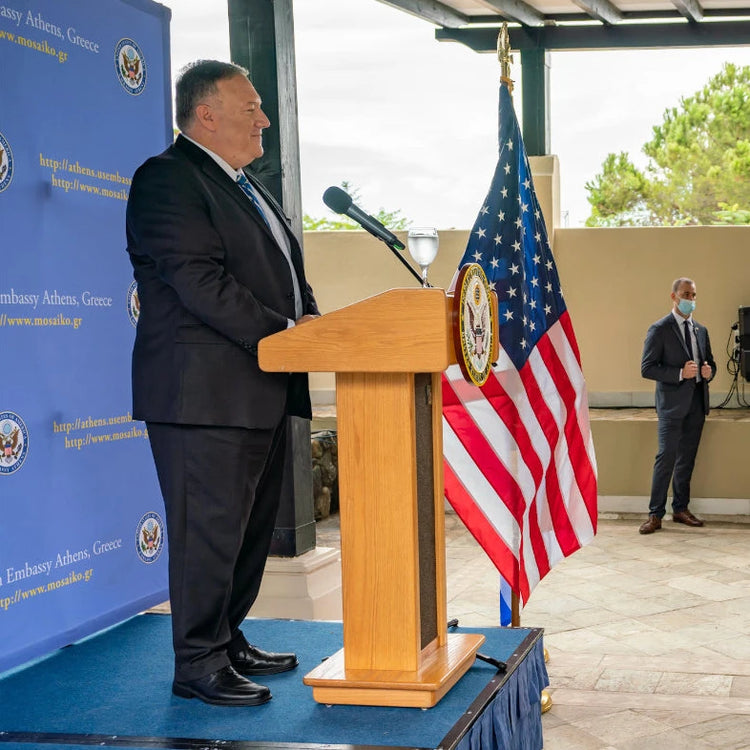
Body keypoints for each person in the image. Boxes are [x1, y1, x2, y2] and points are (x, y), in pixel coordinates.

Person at [126, 60, 319, 706]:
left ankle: (227, 637)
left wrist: (311, 322)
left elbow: (287, 275)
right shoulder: (167, 180)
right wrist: (289, 335)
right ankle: (198, 663)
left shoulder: (244, 187)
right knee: (206, 534)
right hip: (202, 397)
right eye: (251, 108)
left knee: (245, 533)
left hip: (257, 390)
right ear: (205, 114)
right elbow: (202, 285)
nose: (263, 118)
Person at [639, 278, 715, 535]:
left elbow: (711, 364)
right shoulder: (659, 329)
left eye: (694, 295)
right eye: (686, 294)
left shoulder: (701, 331)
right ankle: (655, 514)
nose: (691, 300)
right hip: (671, 407)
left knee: (687, 459)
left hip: (696, 404)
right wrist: (680, 373)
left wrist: (708, 372)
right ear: (673, 296)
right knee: (666, 458)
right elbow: (647, 368)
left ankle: (680, 509)